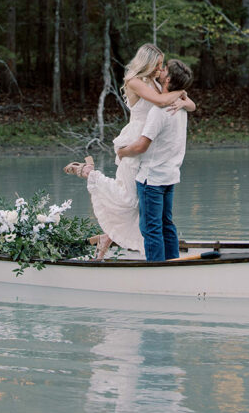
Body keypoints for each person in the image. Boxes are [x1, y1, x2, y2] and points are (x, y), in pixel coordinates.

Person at [63, 44, 194, 258]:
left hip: (153, 143)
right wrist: (181, 93)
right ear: (147, 62)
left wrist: (183, 100)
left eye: (162, 66)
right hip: (136, 141)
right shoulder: (135, 81)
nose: (160, 69)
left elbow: (191, 104)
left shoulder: (157, 81)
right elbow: (163, 101)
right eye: (157, 64)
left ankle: (108, 236)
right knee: (129, 200)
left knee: (139, 204)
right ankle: (89, 173)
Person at [117, 59, 194, 262]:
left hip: (151, 179)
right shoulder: (182, 108)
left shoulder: (159, 112)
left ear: (167, 79)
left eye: (164, 69)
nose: (160, 70)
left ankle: (157, 270)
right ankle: (172, 263)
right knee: (166, 224)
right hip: (170, 176)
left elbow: (142, 146)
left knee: (150, 228)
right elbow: (189, 102)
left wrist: (123, 152)